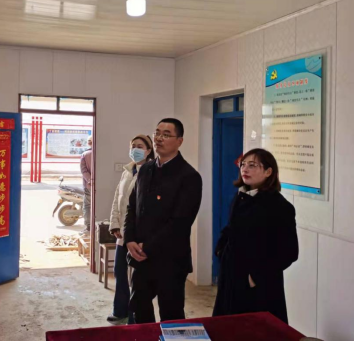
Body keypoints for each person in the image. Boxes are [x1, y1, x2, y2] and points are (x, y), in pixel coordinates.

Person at [124, 118, 203, 324]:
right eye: (157, 133)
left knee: (171, 316)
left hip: (170, 260)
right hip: (141, 258)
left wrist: (146, 247)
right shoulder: (145, 170)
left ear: (179, 141)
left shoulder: (189, 176)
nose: (159, 138)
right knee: (139, 310)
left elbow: (180, 223)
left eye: (166, 135)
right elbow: (132, 207)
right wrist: (129, 239)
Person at [213, 149, 299, 324]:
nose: (245, 169)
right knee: (227, 327)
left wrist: (256, 277)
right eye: (243, 164)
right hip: (231, 275)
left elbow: (289, 252)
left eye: (252, 165)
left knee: (255, 328)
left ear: (268, 171)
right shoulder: (241, 196)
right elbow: (231, 228)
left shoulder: (280, 206)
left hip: (258, 284)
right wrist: (221, 250)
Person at [108, 135, 155, 326]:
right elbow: (117, 199)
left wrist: (133, 233)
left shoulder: (151, 173)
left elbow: (145, 209)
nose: (135, 149)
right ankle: (120, 310)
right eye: (133, 146)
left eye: (140, 146)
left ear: (148, 151)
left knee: (136, 277)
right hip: (122, 233)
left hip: (137, 235)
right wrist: (115, 224)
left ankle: (134, 316)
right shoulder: (128, 171)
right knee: (120, 272)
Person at [80, 136, 93, 235]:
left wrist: (90, 180)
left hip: (89, 185)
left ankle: (88, 227)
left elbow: (83, 170)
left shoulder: (85, 154)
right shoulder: (102, 154)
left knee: (88, 206)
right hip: (101, 185)